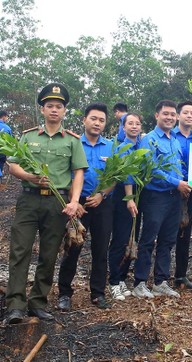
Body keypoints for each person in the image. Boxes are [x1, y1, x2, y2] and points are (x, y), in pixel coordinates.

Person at [4, 83, 88, 324]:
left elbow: (78, 172)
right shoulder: (28, 136)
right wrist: (30, 176)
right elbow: (13, 165)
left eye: (58, 107)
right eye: (49, 106)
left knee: (49, 254)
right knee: (20, 251)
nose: (54, 110)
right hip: (29, 200)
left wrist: (74, 202)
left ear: (64, 112)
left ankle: (38, 302)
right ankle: (16, 305)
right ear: (42, 110)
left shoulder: (72, 140)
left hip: (57, 204)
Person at [132, 99, 192, 299]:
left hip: (174, 198)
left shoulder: (174, 139)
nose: (169, 117)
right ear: (156, 115)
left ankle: (160, 282)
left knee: (167, 240)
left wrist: (183, 183)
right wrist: (177, 183)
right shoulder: (149, 140)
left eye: (172, 114)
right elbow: (151, 170)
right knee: (148, 239)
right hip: (155, 197)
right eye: (165, 113)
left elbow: (178, 167)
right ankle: (140, 282)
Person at [57, 102, 114, 311]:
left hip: (102, 204)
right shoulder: (72, 143)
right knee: (73, 247)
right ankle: (64, 293)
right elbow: (65, 174)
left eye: (101, 120)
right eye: (93, 118)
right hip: (76, 204)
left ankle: (98, 293)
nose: (97, 123)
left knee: (101, 250)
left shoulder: (110, 146)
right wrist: (75, 200)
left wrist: (102, 194)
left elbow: (115, 176)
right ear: (84, 120)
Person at [107, 112, 142, 301]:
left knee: (131, 239)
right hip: (123, 198)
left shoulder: (141, 147)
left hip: (138, 196)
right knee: (120, 240)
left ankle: (122, 278)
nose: (134, 126)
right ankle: (113, 281)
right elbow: (126, 175)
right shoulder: (121, 148)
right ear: (123, 127)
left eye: (137, 123)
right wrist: (129, 198)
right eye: (130, 123)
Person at [173, 101, 192, 289]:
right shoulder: (171, 136)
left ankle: (181, 275)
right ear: (178, 116)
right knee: (167, 233)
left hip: (191, 191)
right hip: (171, 190)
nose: (189, 116)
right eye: (186, 112)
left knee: (185, 232)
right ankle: (160, 276)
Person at [0, 110, 13, 181]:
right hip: (2, 152)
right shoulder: (7, 128)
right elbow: (10, 142)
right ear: (4, 117)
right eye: (7, 117)